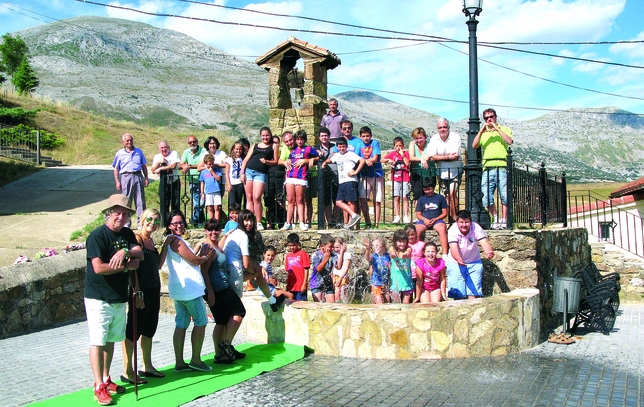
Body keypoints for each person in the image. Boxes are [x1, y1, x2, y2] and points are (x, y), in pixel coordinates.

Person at [84, 194, 143, 406]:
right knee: (98, 341)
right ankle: (98, 384)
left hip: (119, 296)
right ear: (109, 213)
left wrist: (126, 250)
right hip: (98, 297)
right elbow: (98, 267)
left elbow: (140, 254)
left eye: (125, 213)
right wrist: (128, 265)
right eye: (117, 212)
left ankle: (107, 378)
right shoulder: (97, 236)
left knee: (110, 339)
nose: (121, 217)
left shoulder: (127, 233)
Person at [159, 210, 214, 373]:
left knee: (181, 323)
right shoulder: (177, 241)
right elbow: (194, 261)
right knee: (201, 321)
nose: (179, 225)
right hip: (189, 290)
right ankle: (196, 360)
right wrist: (206, 257)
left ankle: (179, 362)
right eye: (175, 223)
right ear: (169, 226)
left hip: (178, 289)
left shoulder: (169, 241)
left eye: (181, 222)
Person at [194, 219, 247, 364]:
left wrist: (226, 235)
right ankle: (226, 344)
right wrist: (210, 291)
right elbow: (204, 271)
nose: (213, 232)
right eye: (210, 230)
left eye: (216, 229)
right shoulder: (208, 248)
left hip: (219, 287)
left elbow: (220, 248)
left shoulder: (215, 245)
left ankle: (220, 354)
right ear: (205, 231)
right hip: (218, 288)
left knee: (222, 320)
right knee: (239, 312)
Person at [121, 209, 164, 385]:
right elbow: (134, 270)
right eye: (150, 219)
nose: (152, 223)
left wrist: (166, 247)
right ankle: (127, 370)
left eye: (156, 220)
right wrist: (137, 293)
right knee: (133, 331)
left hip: (154, 289)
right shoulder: (137, 239)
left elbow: (157, 266)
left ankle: (147, 366)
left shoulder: (151, 242)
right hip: (141, 291)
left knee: (148, 330)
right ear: (143, 219)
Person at [222, 209, 284, 311]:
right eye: (246, 220)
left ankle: (273, 302)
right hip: (234, 274)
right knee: (236, 313)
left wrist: (259, 269)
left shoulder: (233, 233)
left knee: (259, 273)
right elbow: (246, 265)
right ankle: (273, 301)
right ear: (240, 221)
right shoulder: (243, 236)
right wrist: (257, 270)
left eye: (251, 220)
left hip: (228, 271)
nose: (249, 223)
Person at [472, 108, 514, 229]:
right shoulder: (484, 133)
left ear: (495, 117)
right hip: (488, 167)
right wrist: (481, 130)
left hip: (502, 166)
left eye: (491, 117)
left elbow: (509, 141)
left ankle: (504, 220)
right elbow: (474, 145)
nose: (489, 119)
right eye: (486, 118)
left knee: (504, 194)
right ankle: (495, 217)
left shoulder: (505, 129)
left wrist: (497, 128)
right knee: (486, 195)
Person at [446, 210, 495, 300]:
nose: (464, 225)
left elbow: (484, 242)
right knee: (458, 295)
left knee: (473, 293)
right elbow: (453, 248)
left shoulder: (476, 227)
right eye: (461, 222)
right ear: (457, 222)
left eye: (467, 222)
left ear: (471, 222)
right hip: (455, 263)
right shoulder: (452, 230)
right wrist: (458, 259)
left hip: (474, 262)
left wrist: (489, 251)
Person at [240, 127, 279, 229]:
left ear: (270, 135)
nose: (265, 137)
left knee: (256, 197)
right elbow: (246, 159)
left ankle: (258, 221)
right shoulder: (254, 146)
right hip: (249, 171)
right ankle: (249, 221)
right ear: (260, 136)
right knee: (249, 197)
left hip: (261, 173)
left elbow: (276, 161)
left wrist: (267, 161)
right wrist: (242, 173)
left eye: (267, 135)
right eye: (263, 135)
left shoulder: (273, 146)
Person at [322, 137, 364, 229]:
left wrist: (355, 172)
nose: (342, 148)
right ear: (337, 147)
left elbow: (362, 161)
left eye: (343, 146)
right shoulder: (337, 155)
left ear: (346, 146)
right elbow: (331, 160)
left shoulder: (350, 154)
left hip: (350, 180)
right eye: (340, 147)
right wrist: (325, 162)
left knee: (351, 202)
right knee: (338, 202)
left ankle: (350, 222)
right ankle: (353, 215)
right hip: (342, 182)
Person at [426, 118, 463, 221]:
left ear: (448, 128)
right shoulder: (434, 138)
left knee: (452, 193)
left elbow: (455, 156)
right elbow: (433, 157)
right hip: (442, 172)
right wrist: (447, 157)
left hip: (455, 171)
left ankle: (456, 218)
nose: (442, 129)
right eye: (440, 127)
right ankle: (452, 219)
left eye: (444, 127)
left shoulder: (455, 137)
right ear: (437, 129)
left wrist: (440, 156)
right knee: (447, 196)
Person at [284, 130, 319, 231]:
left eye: (301, 139)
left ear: (305, 140)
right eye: (297, 139)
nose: (299, 141)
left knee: (300, 200)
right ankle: (288, 222)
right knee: (290, 200)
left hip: (301, 177)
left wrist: (308, 160)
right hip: (290, 176)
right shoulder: (293, 151)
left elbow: (317, 157)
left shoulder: (308, 149)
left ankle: (302, 222)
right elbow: (289, 159)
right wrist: (288, 161)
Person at [112, 133, 148, 227]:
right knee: (126, 201)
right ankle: (126, 223)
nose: (129, 142)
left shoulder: (139, 151)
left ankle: (141, 223)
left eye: (131, 140)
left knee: (140, 201)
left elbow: (144, 165)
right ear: (123, 142)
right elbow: (116, 168)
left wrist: (146, 177)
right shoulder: (119, 153)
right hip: (126, 177)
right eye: (127, 140)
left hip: (138, 175)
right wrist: (117, 181)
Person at [414, 177, 449, 258]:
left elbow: (445, 213)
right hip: (424, 220)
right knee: (417, 230)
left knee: (442, 229)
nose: (427, 191)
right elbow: (418, 214)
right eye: (425, 190)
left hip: (437, 220)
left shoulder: (440, 198)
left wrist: (436, 219)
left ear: (433, 187)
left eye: (429, 189)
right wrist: (424, 219)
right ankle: (418, 253)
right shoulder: (421, 199)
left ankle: (444, 254)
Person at [357, 126, 384, 228]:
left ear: (371, 136)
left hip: (377, 175)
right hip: (365, 175)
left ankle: (376, 223)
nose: (366, 138)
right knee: (363, 199)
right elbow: (357, 157)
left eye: (367, 136)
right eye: (363, 136)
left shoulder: (375, 143)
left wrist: (370, 161)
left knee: (377, 200)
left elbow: (376, 157)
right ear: (360, 136)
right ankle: (368, 221)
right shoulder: (359, 145)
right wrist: (365, 162)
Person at [180, 136, 207, 225]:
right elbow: (181, 163)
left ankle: (195, 220)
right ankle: (200, 222)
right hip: (192, 181)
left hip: (203, 181)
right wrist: (185, 166)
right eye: (190, 142)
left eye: (194, 141)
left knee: (201, 203)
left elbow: (204, 163)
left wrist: (190, 166)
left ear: (197, 142)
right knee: (197, 203)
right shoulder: (186, 152)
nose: (192, 143)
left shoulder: (203, 151)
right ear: (188, 143)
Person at [383, 137, 411, 224]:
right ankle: (397, 216)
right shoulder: (392, 154)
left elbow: (407, 163)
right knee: (396, 197)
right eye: (397, 146)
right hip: (395, 178)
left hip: (405, 178)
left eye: (400, 145)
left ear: (403, 146)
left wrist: (402, 155)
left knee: (405, 197)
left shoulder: (406, 153)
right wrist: (389, 160)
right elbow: (382, 159)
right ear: (394, 147)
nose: (398, 147)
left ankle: (406, 216)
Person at [314, 127, 338, 226]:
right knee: (326, 201)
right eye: (322, 136)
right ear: (319, 137)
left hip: (336, 175)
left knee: (338, 200)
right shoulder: (316, 148)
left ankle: (335, 218)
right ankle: (330, 222)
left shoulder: (335, 146)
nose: (324, 137)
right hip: (323, 177)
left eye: (326, 135)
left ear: (329, 136)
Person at [151, 140, 180, 219]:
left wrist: (161, 168)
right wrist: (158, 163)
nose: (164, 149)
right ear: (159, 149)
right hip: (164, 183)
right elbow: (153, 170)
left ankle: (175, 220)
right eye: (162, 148)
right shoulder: (157, 157)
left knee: (175, 202)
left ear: (169, 147)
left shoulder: (174, 153)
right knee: (164, 202)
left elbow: (173, 165)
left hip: (174, 182)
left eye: (165, 147)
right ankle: (164, 221)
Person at [408, 127, 435, 202]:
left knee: (429, 195)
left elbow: (427, 156)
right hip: (417, 174)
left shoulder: (429, 144)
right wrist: (421, 159)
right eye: (416, 138)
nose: (418, 140)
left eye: (420, 138)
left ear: (425, 137)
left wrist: (422, 159)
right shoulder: (412, 144)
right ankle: (418, 213)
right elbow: (411, 157)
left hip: (429, 174)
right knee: (417, 195)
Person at [310, 236, 338, 303]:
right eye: (330, 247)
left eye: (333, 247)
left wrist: (342, 253)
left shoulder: (333, 254)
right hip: (316, 283)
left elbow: (338, 266)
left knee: (331, 306)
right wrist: (325, 259)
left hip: (328, 282)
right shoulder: (316, 255)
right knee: (319, 306)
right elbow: (318, 269)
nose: (332, 249)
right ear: (322, 246)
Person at [389, 229, 414, 304]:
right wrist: (394, 255)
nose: (402, 244)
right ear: (395, 241)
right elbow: (391, 252)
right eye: (399, 241)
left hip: (406, 282)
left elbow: (408, 252)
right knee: (396, 305)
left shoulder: (409, 249)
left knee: (406, 305)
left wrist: (405, 255)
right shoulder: (392, 249)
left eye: (404, 241)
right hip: (395, 283)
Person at [363, 237, 391, 304]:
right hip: (376, 283)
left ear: (383, 246)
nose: (375, 247)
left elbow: (390, 268)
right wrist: (367, 249)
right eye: (373, 246)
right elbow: (367, 258)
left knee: (388, 303)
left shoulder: (387, 256)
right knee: (380, 303)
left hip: (385, 284)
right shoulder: (374, 256)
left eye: (377, 245)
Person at [284, 233, 311, 301]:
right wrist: (288, 286)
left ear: (298, 243)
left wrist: (304, 284)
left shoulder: (303, 254)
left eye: (294, 245)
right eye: (290, 245)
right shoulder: (288, 256)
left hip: (300, 286)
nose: (292, 247)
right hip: (291, 286)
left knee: (301, 305)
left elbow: (306, 269)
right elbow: (289, 272)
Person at [405, 223, 425, 302]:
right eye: (408, 235)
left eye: (412, 234)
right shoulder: (405, 245)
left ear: (416, 234)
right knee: (408, 297)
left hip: (419, 274)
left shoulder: (421, 244)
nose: (410, 237)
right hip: (408, 274)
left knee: (418, 297)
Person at [199, 153, 222, 222]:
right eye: (209, 164)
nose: (211, 165)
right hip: (208, 191)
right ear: (206, 164)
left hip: (216, 190)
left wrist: (212, 172)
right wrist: (202, 193)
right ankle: (211, 222)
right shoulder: (203, 172)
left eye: (212, 164)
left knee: (216, 207)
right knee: (210, 208)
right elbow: (202, 182)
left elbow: (218, 179)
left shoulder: (217, 170)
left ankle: (217, 222)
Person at [225, 140, 245, 209]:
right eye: (237, 149)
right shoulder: (229, 159)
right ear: (233, 149)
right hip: (232, 183)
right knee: (232, 203)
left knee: (238, 202)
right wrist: (228, 183)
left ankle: (238, 218)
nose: (238, 151)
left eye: (240, 149)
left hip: (240, 183)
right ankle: (231, 218)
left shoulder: (243, 159)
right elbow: (227, 172)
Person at [332, 236, 351, 303]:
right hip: (335, 276)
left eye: (337, 247)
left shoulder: (347, 255)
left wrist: (341, 278)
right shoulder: (334, 255)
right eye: (334, 247)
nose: (336, 249)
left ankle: (345, 306)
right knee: (336, 294)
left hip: (343, 277)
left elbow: (346, 268)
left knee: (343, 293)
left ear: (342, 246)